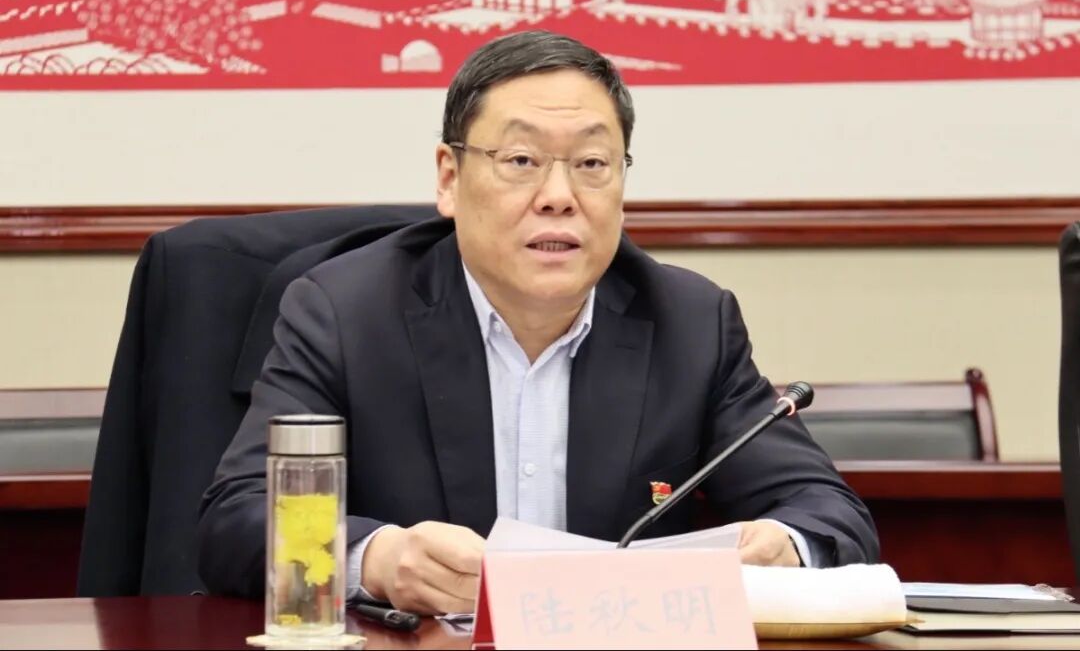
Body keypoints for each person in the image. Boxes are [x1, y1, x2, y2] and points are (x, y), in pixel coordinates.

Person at [198, 30, 878, 615]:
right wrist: (375, 558)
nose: (559, 197)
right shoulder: (346, 313)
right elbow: (237, 517)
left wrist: (782, 547)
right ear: (449, 177)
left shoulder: (692, 323)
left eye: (591, 164)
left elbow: (828, 512)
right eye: (521, 161)